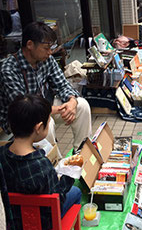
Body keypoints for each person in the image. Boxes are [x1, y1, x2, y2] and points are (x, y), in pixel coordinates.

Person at [0, 94, 82, 230]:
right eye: (48, 122)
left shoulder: (2, 155)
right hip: (41, 223)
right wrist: (69, 175)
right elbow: (58, 198)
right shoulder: (41, 165)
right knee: (75, 192)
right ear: (38, 128)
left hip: (12, 222)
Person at [0, 21, 92, 151]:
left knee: (82, 105)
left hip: (46, 107)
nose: (50, 52)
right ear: (30, 45)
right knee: (44, 125)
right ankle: (53, 165)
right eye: (46, 48)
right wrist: (53, 110)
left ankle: (82, 153)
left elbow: (62, 84)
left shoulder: (46, 60)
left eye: (51, 47)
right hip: (19, 120)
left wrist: (72, 101)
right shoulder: (9, 69)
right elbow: (23, 107)